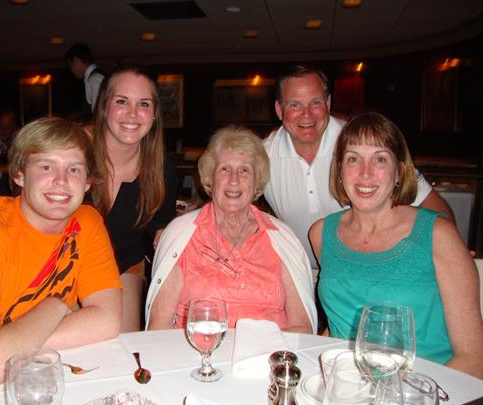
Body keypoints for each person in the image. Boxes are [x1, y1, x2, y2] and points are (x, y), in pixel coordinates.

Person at [0, 117, 123, 392]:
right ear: (19, 174)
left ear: (87, 182)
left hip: (35, 371)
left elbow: (108, 321)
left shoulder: (87, 222)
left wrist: (4, 349)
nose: (61, 181)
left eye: (74, 169)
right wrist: (57, 305)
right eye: (46, 166)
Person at [309, 112, 483, 379]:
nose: (365, 172)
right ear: (340, 170)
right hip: (346, 388)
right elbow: (337, 326)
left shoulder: (439, 235)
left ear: (399, 171)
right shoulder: (322, 234)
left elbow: (474, 359)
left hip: (429, 389)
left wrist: (415, 395)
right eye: (353, 159)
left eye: (380, 159)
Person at [264, 66, 453, 267]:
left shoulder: (361, 141)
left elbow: (430, 203)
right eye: (295, 105)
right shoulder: (262, 155)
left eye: (315, 102)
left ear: (328, 103)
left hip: (370, 270)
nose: (307, 115)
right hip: (299, 272)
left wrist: (449, 251)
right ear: (279, 109)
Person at [146, 127, 317, 333]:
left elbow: (302, 327)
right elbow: (159, 327)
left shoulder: (282, 238)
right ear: (210, 179)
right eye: (224, 169)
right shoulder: (181, 235)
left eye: (244, 170)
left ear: (257, 182)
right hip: (197, 350)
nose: (234, 180)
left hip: (269, 351)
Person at [91, 65, 177, 332]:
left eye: (143, 104)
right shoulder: (72, 151)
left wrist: (168, 234)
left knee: (123, 346)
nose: (132, 113)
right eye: (121, 101)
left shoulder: (160, 169)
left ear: (154, 114)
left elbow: (161, 225)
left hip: (125, 264)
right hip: (63, 263)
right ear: (104, 106)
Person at [65, 43, 106, 120]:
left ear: (76, 60)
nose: (71, 71)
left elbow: (99, 114)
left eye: (70, 66)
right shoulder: (94, 77)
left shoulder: (94, 79)